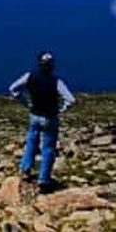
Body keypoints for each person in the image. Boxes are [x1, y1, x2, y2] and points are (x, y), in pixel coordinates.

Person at [9, 52, 76, 192]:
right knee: (48, 148)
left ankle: (25, 169)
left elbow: (13, 89)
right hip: (50, 117)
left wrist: (25, 102)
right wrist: (61, 109)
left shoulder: (30, 76)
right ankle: (43, 179)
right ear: (52, 65)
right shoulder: (56, 81)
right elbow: (70, 100)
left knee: (31, 142)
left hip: (34, 115)